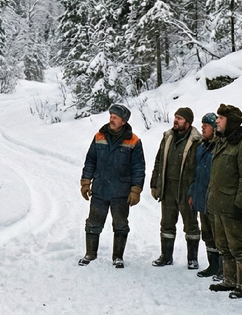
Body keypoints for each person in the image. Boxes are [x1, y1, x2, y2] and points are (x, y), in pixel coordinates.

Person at [79, 104, 146, 269]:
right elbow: (90, 161)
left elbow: (139, 168)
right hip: (100, 188)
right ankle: (90, 253)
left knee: (121, 225)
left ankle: (118, 257)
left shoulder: (134, 140)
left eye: (115, 117)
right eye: (111, 116)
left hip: (121, 192)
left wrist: (136, 190)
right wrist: (85, 182)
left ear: (123, 121)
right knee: (93, 223)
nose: (111, 119)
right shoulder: (99, 136)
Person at [207, 104, 242, 299]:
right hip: (218, 205)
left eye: (220, 117)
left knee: (240, 247)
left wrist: (240, 204)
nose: (216, 121)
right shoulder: (221, 142)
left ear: (231, 122)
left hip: (233, 206)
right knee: (224, 245)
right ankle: (229, 280)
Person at [149, 107, 201, 268]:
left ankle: (192, 259)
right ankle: (166, 256)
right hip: (168, 188)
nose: (176, 120)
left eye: (180, 118)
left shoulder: (196, 141)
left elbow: (200, 168)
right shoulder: (168, 137)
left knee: (191, 225)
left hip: (187, 188)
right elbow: (158, 161)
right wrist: (154, 184)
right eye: (175, 117)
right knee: (166, 224)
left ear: (188, 122)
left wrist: (196, 190)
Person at [189, 112, 221, 279]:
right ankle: (212, 265)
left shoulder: (220, 147)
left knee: (219, 235)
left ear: (214, 128)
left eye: (206, 125)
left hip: (215, 199)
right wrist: (192, 193)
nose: (202, 128)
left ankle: (223, 269)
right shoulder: (202, 146)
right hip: (201, 197)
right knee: (207, 234)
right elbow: (196, 173)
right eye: (202, 125)